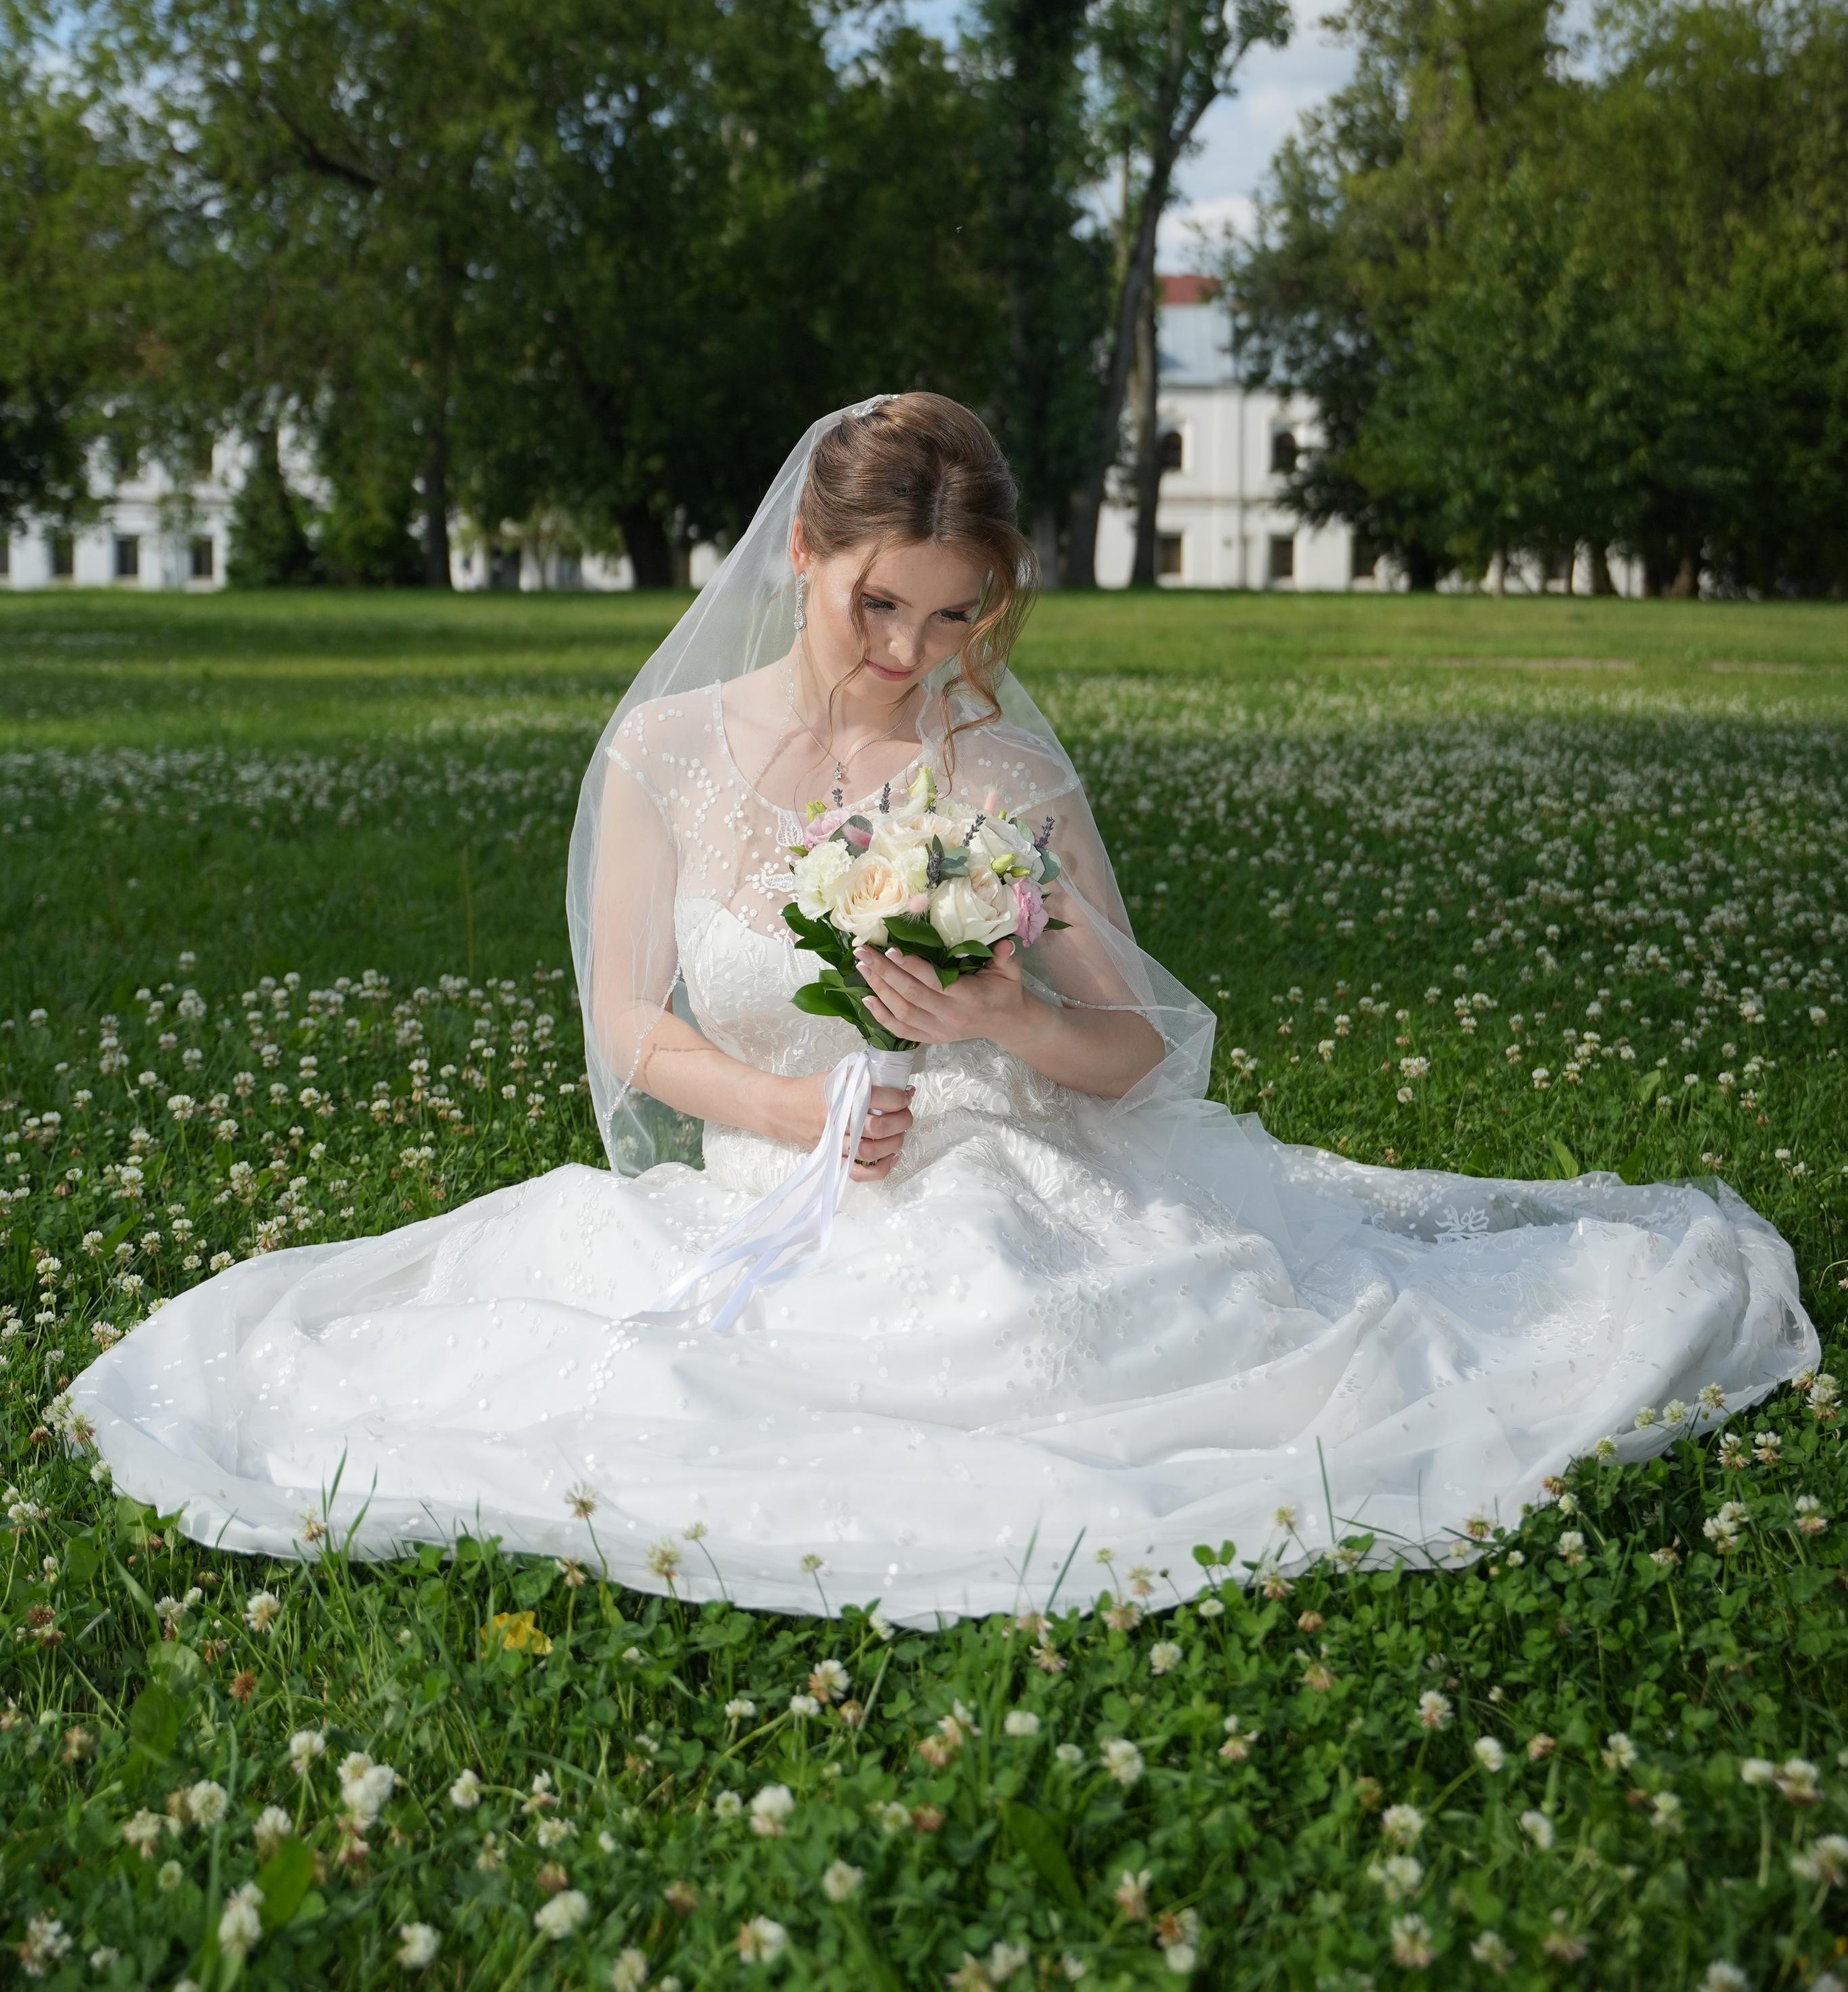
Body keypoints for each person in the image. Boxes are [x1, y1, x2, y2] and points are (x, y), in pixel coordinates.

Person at [66, 395, 1816, 1625]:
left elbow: (1138, 1046)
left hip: (1009, 1163)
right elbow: (627, 1024)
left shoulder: (1000, 770)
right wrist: (794, 1113)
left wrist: (1004, 1022)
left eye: (954, 615)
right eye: (876, 604)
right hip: (770, 1180)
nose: (910, 653)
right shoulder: (665, 750)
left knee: (1017, 1316)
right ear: (802, 554)